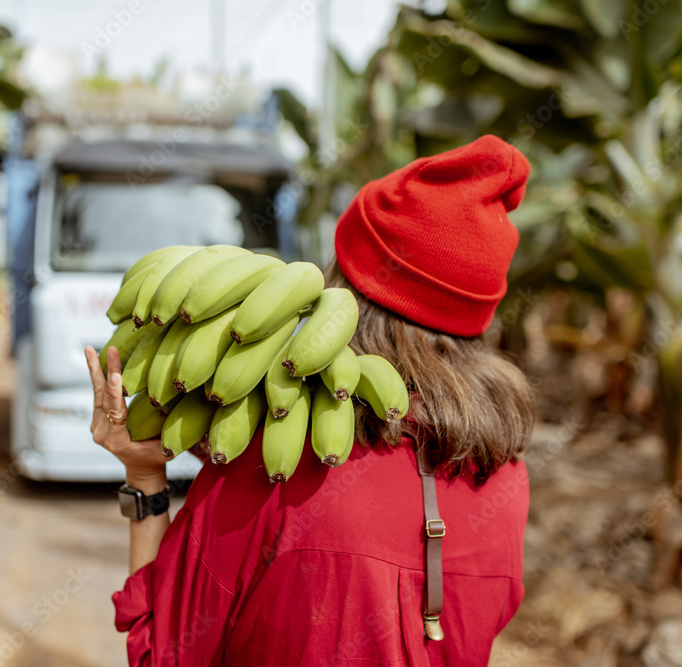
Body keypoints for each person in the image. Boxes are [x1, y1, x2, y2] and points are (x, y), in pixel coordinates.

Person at [84, 135, 537, 666]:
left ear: (343, 289)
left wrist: (145, 482)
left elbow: (163, 653)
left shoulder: (276, 467)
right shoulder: (506, 477)